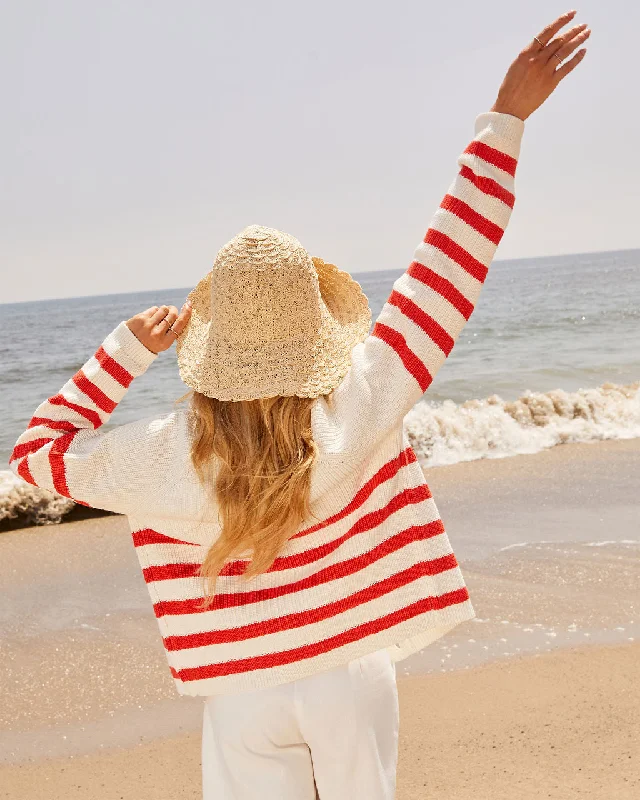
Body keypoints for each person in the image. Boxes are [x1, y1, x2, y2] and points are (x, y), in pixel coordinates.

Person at [8, 10, 589, 800]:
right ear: (314, 329)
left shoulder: (161, 454)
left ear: (209, 348)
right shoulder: (357, 403)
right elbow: (446, 275)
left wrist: (124, 354)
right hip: (350, 666)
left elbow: (35, 453)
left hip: (239, 687)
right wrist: (505, 120)